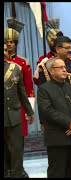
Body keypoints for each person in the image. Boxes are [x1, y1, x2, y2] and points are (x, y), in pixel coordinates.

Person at [37, 57, 71, 178]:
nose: (65, 70)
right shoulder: (44, 89)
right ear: (51, 71)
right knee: (57, 171)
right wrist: (69, 123)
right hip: (57, 136)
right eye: (60, 68)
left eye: (65, 67)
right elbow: (48, 111)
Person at [5, 17, 35, 178]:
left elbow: (28, 88)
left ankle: (18, 167)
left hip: (18, 106)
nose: (8, 44)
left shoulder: (23, 63)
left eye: (11, 41)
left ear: (16, 43)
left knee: (18, 141)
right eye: (6, 42)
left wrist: (29, 109)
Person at [38, 36, 71, 128]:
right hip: (56, 115)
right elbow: (42, 97)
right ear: (57, 49)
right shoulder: (47, 67)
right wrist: (42, 120)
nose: (70, 50)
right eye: (67, 48)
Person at [33, 18, 64, 86]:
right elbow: (36, 81)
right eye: (53, 40)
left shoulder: (65, 57)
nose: (55, 42)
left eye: (57, 40)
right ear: (48, 41)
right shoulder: (42, 59)